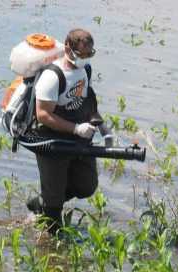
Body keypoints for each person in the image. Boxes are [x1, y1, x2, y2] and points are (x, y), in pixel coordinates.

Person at [26, 28, 112, 234]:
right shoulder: (52, 77)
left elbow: (87, 102)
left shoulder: (85, 70)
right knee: (54, 211)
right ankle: (53, 248)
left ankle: (41, 202)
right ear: (67, 48)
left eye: (89, 55)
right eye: (80, 54)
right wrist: (75, 128)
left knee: (87, 186)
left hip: (78, 139)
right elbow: (43, 115)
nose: (84, 59)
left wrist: (103, 128)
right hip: (52, 141)